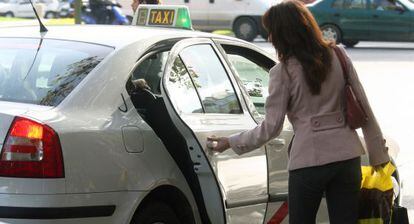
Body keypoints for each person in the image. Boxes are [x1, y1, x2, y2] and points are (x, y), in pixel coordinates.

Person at [207, 0, 390, 223]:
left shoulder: (282, 72)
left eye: (272, 32)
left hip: (309, 162)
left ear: (284, 34)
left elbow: (271, 127)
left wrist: (231, 141)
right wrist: (378, 154)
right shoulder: (339, 56)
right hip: (347, 156)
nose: (269, 38)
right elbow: (364, 108)